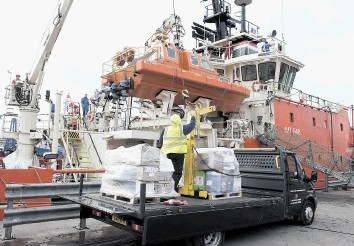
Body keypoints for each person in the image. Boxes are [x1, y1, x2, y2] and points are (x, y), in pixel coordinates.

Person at [159, 113, 196, 192]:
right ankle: (173, 190)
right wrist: (193, 116)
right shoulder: (182, 128)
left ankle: (165, 190)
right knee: (177, 173)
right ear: (179, 120)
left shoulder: (166, 129)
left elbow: (160, 141)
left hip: (167, 154)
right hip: (178, 153)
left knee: (168, 172)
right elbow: (192, 126)